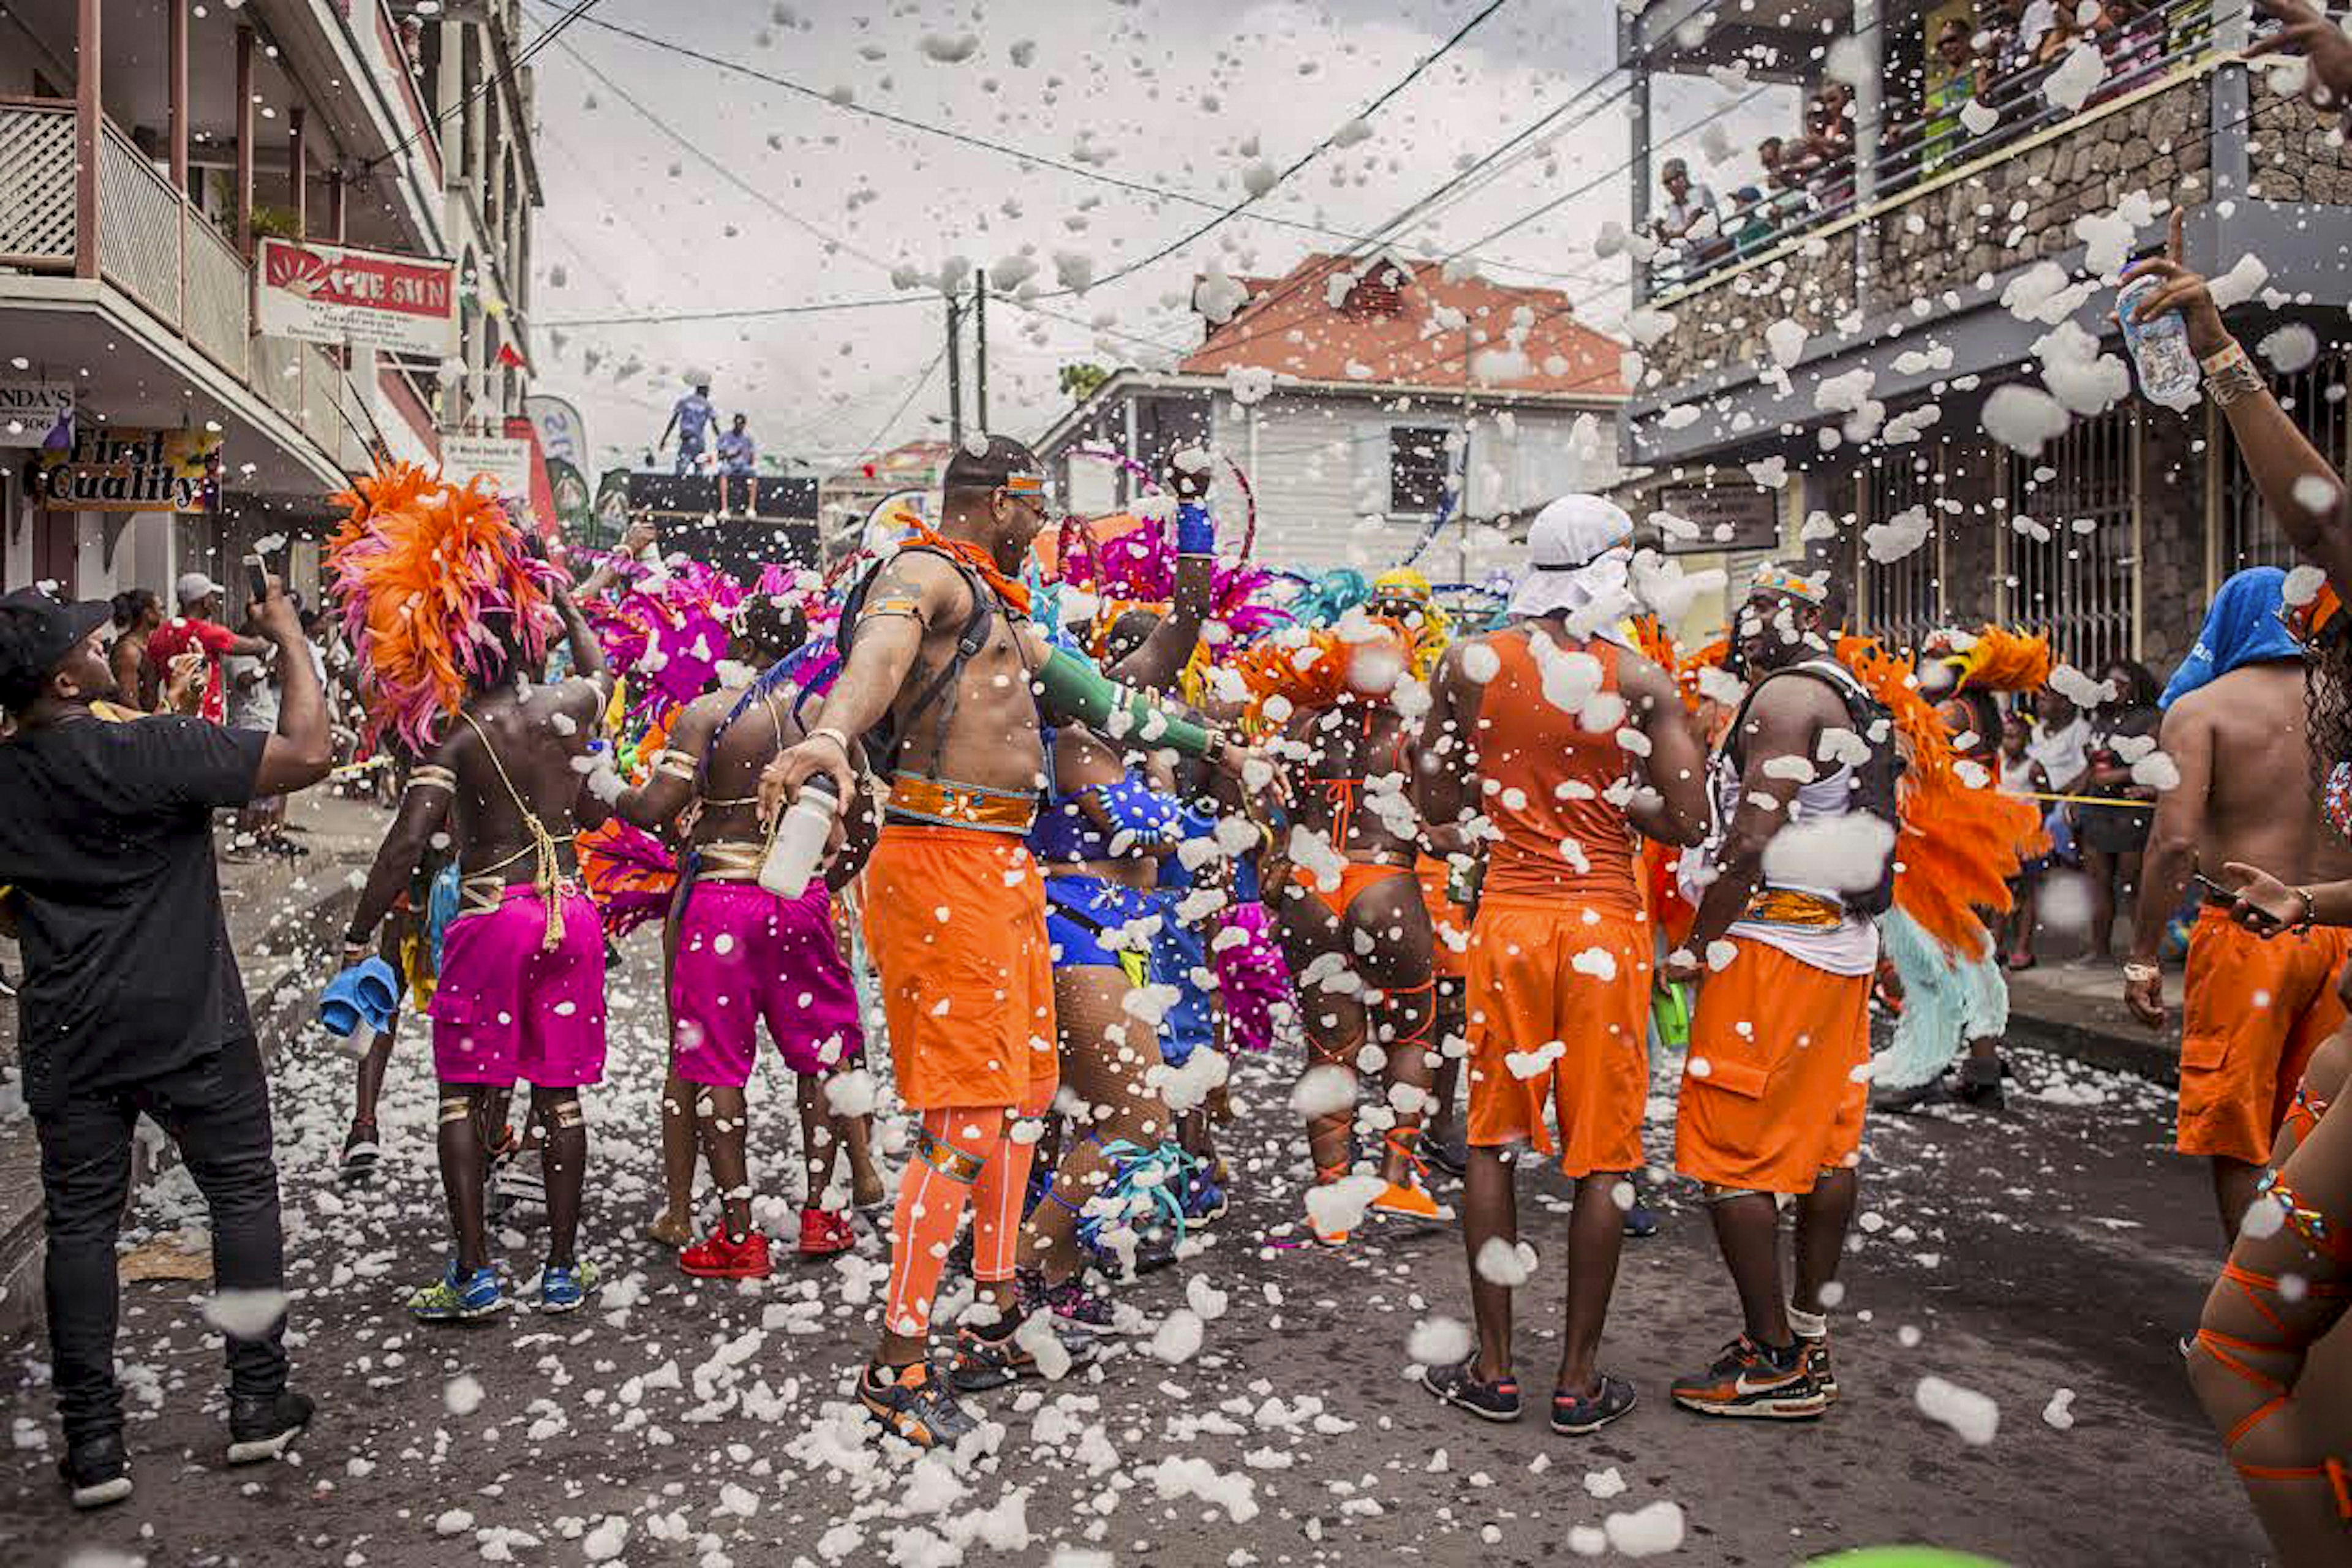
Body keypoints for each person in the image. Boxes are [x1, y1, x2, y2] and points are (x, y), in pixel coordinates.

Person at [758, 435, 1257, 1448]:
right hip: (939, 866)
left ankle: (996, 1315)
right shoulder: (926, 574)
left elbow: (1108, 701)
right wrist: (830, 737)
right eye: (1038, 507)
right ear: (998, 502)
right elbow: (877, 660)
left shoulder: (1007, 615)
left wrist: (1222, 749)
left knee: (1026, 1106)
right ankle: (895, 1363)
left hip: (1002, 868)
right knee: (966, 1126)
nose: (1050, 527)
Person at [2122, 189, 2352, 1566]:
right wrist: (2324, 902)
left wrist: (2215, 340)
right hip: (2320, 940)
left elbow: (2165, 840)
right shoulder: (2317, 706)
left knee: (2245, 1337)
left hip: (2254, 948)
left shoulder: (2206, 712)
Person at [0, 581, 333, 1509]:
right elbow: (308, 751)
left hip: (70, 1028)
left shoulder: (14, 771)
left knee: (81, 1224)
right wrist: (292, 639)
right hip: (188, 1019)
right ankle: (259, 1405)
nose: (109, 651)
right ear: (65, 681)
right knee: (240, 1193)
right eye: (92, 645)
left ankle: (95, 1444)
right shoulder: (149, 748)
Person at [1412, 496, 1708, 1437]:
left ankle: (1495, 1369)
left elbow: (1431, 784)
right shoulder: (1642, 679)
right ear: (1611, 569)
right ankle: (1578, 1380)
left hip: (1509, 919)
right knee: (1605, 1155)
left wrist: (1493, 804)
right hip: (1603, 927)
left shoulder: (1472, 662)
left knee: (1491, 1140)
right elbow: (1690, 819)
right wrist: (1616, 799)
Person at [336, 470, 616, 1322]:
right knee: (558, 1096)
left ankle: (475, 1273)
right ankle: (562, 1272)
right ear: (534, 640)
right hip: (571, 914)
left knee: (464, 1093)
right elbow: (600, 673)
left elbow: (405, 845)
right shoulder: (573, 706)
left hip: (492, 918)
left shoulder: (457, 737)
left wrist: (359, 935)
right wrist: (566, 605)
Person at [1667, 564, 1897, 1420]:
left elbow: (1755, 837)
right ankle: (1806, 1334)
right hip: (1837, 947)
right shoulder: (1848, 692)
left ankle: (1774, 1360)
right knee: (1828, 1150)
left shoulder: (1788, 699)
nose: (1749, 620)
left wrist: (1699, 944)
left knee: (1734, 1150)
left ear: (1810, 616)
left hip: (1773, 950)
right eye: (1750, 604)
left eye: (1769, 605)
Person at [616, 594, 877, 1276]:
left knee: (714, 1064)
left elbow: (654, 808)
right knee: (822, 1056)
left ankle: (739, 1232)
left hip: (722, 903)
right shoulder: (821, 718)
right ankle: (821, 1211)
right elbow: (869, 814)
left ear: (741, 641)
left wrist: (605, 792)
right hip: (801, 902)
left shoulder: (706, 714)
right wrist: (830, 872)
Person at [2124, 572, 2352, 1245]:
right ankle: (2309, 1313)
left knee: (2240, 1128)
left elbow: (2174, 843)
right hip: (2336, 926)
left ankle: (2248, 1309)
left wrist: (2141, 958)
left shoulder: (2205, 710)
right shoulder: (2342, 702)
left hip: (2249, 932)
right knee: (2321, 1124)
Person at [1253, 610, 1447, 1238]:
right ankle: (1397, 1176)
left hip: (1314, 890)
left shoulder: (1305, 724)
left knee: (1329, 1046)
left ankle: (1331, 1196)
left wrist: (1280, 847)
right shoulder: (1413, 731)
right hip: (1385, 882)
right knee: (1413, 1032)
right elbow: (1442, 821)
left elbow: (1261, 793)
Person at [2078, 658, 2160, 963]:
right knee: (2098, 884)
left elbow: (2158, 762)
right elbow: (2090, 768)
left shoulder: (2150, 719)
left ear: (2136, 686)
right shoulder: (2099, 721)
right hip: (2098, 811)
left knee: (2133, 886)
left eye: (2122, 684)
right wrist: (2075, 798)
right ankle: (2098, 950)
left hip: (2130, 810)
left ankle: (2142, 953)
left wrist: (2121, 776)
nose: (2115, 690)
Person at [146, 573, 270, 725]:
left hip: (173, 718)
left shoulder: (161, 633)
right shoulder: (208, 632)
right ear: (204, 601)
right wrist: (259, 614)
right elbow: (260, 646)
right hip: (205, 722)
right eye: (211, 597)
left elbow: (150, 684)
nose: (215, 602)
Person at [1649, 157, 1720, 275]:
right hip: (1692, 266)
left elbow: (1690, 226)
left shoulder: (1700, 191)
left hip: (1713, 255)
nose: (1671, 185)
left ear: (1684, 177)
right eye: (1666, 182)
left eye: (1675, 178)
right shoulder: (1672, 209)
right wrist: (1659, 230)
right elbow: (1667, 241)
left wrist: (1668, 234)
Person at [108, 588, 162, 711]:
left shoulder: (147, 645)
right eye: (160, 609)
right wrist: (143, 726)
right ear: (148, 613)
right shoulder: (129, 651)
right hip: (136, 723)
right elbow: (128, 699)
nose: (162, 614)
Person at [662, 380, 718, 477]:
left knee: (680, 472)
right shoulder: (707, 405)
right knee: (699, 472)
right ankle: (698, 490)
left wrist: (665, 438)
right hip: (699, 442)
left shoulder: (685, 401)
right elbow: (714, 425)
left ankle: (677, 490)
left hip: (686, 440)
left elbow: (674, 421)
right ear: (704, 391)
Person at [716, 414, 758, 514]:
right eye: (737, 423)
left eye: (741, 424)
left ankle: (751, 508)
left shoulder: (748, 439)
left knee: (753, 473)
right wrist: (733, 455)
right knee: (723, 471)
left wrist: (750, 460)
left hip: (743, 466)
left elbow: (752, 458)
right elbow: (720, 456)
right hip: (730, 465)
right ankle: (724, 508)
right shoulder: (725, 437)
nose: (739, 426)